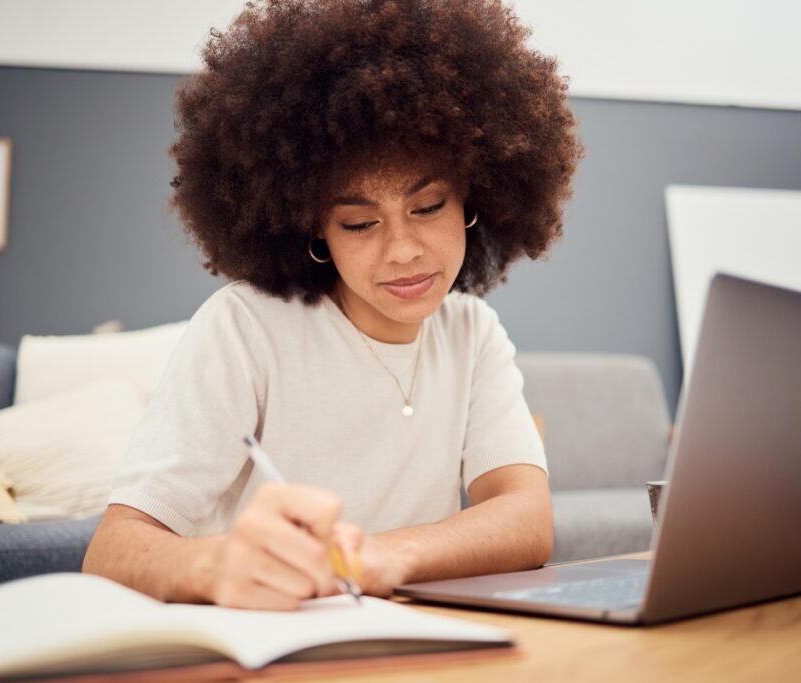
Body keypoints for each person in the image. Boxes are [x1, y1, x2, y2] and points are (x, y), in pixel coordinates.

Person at [83, 0, 583, 610]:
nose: (402, 250)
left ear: (473, 199)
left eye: (427, 208)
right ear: (315, 230)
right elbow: (111, 553)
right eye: (358, 222)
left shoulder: (470, 332)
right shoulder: (246, 326)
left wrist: (380, 557)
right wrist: (216, 564)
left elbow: (527, 519)